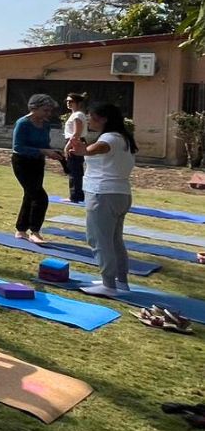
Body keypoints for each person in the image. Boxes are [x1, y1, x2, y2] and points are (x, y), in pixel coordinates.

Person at [67, 103, 136, 296]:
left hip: (103, 194)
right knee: (114, 240)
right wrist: (84, 149)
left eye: (92, 116)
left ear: (104, 119)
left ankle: (108, 284)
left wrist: (83, 151)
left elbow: (99, 148)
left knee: (98, 239)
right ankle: (120, 281)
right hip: (120, 194)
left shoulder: (109, 138)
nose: (88, 120)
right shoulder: (123, 138)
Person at [11, 94, 62, 243]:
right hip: (22, 162)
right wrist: (43, 151)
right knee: (40, 197)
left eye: (50, 111)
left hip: (38, 163)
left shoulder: (45, 125)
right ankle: (35, 231)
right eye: (45, 110)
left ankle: (21, 230)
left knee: (30, 195)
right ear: (34, 108)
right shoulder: (23, 123)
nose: (48, 114)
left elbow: (45, 144)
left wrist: (53, 152)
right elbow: (18, 147)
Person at [63, 92, 88, 204]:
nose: (68, 103)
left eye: (71, 101)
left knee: (74, 170)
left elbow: (76, 133)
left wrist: (68, 146)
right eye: (67, 101)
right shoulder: (75, 115)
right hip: (75, 141)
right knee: (76, 170)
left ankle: (75, 196)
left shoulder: (78, 115)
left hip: (75, 142)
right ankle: (78, 195)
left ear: (78, 103)